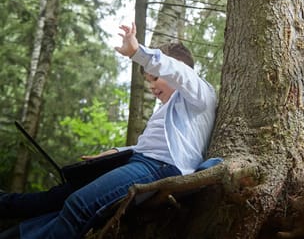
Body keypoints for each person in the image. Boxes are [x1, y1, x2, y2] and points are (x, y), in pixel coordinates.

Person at [0, 22, 217, 238]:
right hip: (139, 161)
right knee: (62, 196)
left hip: (159, 167)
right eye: (148, 80)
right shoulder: (167, 110)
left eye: (155, 77)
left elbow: (179, 73)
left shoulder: (200, 94)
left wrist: (138, 53)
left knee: (79, 205)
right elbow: (148, 146)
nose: (151, 86)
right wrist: (116, 152)